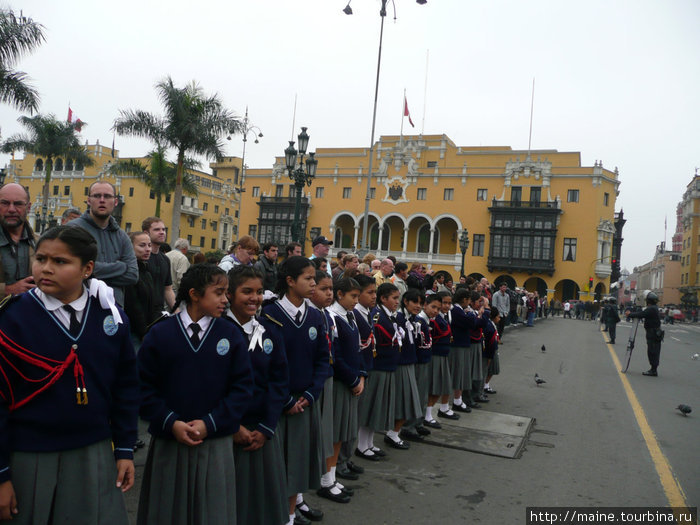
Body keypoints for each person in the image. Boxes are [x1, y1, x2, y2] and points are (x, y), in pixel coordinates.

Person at [0, 225, 139, 524]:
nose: (45, 269)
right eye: (40, 259)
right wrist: (1, 475)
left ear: (87, 268)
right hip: (30, 454)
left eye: (60, 262)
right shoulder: (13, 318)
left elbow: (125, 387)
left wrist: (125, 447)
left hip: (94, 452)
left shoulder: (110, 316)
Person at [137, 264, 254, 524]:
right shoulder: (160, 333)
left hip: (215, 442)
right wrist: (171, 423)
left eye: (227, 292)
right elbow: (143, 388)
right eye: (219, 292)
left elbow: (242, 388)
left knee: (212, 512)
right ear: (194, 294)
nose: (226, 299)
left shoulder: (231, 334)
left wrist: (210, 423)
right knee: (167, 511)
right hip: (170, 443)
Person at [261, 256, 329, 525]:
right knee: (279, 465)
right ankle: (279, 514)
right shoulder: (269, 314)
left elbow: (322, 359)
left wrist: (312, 393)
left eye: (315, 278)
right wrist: (286, 399)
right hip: (279, 405)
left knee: (298, 462)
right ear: (290, 281)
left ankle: (291, 512)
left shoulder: (314, 315)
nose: (313, 283)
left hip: (304, 402)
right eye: (308, 278)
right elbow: (265, 365)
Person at [226, 266, 289, 525]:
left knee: (260, 501)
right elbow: (211, 387)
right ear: (229, 295)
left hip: (261, 429)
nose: (254, 298)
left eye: (259, 292)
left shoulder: (270, 331)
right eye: (247, 292)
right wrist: (231, 426)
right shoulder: (217, 330)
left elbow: (279, 381)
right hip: (227, 430)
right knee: (229, 499)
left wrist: (267, 426)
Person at [318, 278, 365, 504]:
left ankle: (332, 477)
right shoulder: (334, 317)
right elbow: (335, 355)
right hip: (340, 382)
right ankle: (325, 480)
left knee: (341, 433)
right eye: (353, 296)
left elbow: (357, 348)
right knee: (334, 432)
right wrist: (353, 378)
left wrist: (360, 375)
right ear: (340, 295)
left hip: (351, 381)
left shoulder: (350, 315)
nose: (356, 301)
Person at [68, 181, 138, 306]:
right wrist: (121, 267)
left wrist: (89, 274)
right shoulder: (72, 229)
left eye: (107, 196)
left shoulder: (122, 237)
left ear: (115, 202)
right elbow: (73, 270)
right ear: (89, 200)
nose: (102, 200)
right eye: (96, 196)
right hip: (79, 307)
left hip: (113, 311)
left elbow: (133, 275)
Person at [396, 289, 427, 443]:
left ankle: (411, 425)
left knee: (412, 397)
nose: (418, 306)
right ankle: (400, 430)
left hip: (411, 360)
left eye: (421, 303)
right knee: (404, 399)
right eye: (415, 302)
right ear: (406, 302)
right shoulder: (399, 318)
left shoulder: (413, 318)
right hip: (402, 363)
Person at [0, 183, 37, 299]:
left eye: (18, 204)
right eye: (5, 203)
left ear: (29, 207)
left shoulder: (40, 243)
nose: (11, 209)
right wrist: (7, 290)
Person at [124, 232, 160, 345]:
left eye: (149, 245)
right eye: (142, 245)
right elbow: (133, 306)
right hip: (133, 333)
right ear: (130, 247)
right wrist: (144, 332)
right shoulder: (128, 273)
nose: (148, 249)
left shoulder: (147, 272)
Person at [626, 292, 663, 376]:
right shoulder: (654, 307)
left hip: (653, 334)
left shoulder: (651, 309)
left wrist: (630, 314)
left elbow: (641, 314)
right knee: (653, 351)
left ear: (648, 301)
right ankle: (653, 369)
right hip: (654, 333)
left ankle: (653, 370)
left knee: (652, 351)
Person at [142, 217, 175, 310]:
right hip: (139, 314)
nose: (162, 232)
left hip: (159, 314)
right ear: (146, 233)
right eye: (157, 229)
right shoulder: (139, 258)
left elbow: (168, 290)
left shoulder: (165, 259)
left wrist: (178, 313)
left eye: (163, 229)